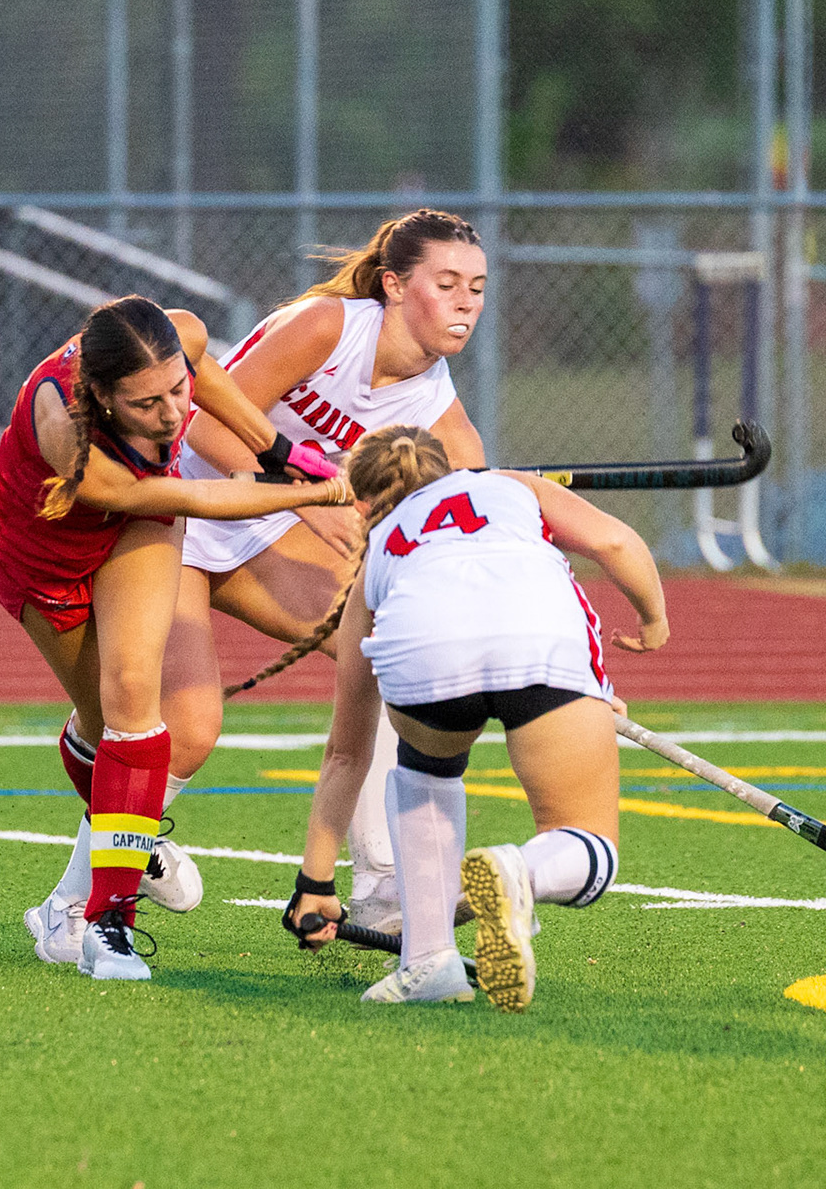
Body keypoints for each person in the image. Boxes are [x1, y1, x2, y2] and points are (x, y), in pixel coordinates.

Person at [29, 209, 491, 942]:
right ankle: (69, 906)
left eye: (477, 287)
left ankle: (382, 885)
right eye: (447, 283)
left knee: (385, 650)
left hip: (262, 530)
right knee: (188, 730)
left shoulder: (440, 411)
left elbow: (478, 517)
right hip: (178, 511)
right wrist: (307, 501)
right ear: (396, 285)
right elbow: (203, 422)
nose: (466, 302)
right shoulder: (328, 328)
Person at [0, 294, 350, 981]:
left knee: (133, 701)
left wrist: (285, 452)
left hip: (140, 529)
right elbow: (201, 497)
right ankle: (132, 824)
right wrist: (320, 491)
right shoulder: (70, 437)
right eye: (146, 404)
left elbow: (202, 369)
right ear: (101, 396)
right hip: (41, 549)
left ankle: (107, 925)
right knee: (100, 726)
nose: (173, 414)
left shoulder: (180, 339)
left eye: (177, 389)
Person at [276, 425, 670, 1011]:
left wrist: (315, 882)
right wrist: (652, 621)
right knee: (590, 845)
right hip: (539, 640)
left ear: (360, 505)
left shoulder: (377, 557)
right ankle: (521, 872)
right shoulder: (512, 486)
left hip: (425, 654)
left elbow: (347, 752)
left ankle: (427, 962)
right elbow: (615, 543)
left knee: (423, 771)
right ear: (452, 469)